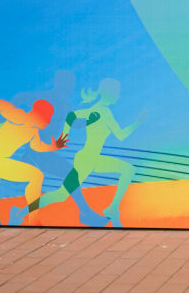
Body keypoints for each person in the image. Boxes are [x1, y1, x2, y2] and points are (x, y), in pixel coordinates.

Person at [12, 78, 145, 227]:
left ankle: (112, 209)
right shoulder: (103, 111)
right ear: (110, 93)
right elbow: (120, 136)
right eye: (118, 92)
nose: (119, 95)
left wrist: (65, 134)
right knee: (60, 195)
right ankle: (19, 213)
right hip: (86, 160)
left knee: (128, 169)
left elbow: (71, 116)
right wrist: (138, 122)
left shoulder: (96, 109)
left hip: (92, 158)